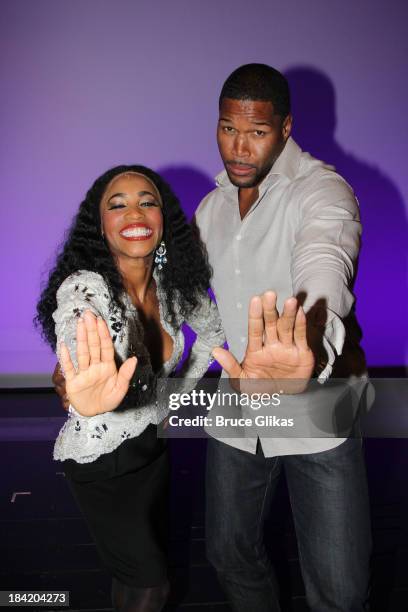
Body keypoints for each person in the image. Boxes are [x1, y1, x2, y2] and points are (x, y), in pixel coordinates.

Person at [194, 64, 371, 612]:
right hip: (239, 402)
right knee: (227, 552)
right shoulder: (212, 206)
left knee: (339, 594)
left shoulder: (322, 191)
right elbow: (201, 302)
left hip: (314, 401)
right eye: (228, 128)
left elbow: (326, 261)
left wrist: (310, 344)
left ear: (286, 128)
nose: (238, 147)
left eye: (257, 132)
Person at [35, 165, 227, 612]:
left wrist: (172, 397)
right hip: (102, 461)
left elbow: (214, 335)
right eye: (116, 205)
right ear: (100, 227)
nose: (134, 212)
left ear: (163, 218)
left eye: (147, 201)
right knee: (152, 585)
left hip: (153, 449)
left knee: (134, 575)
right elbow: (75, 316)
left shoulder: (173, 286)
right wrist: (82, 380)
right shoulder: (87, 287)